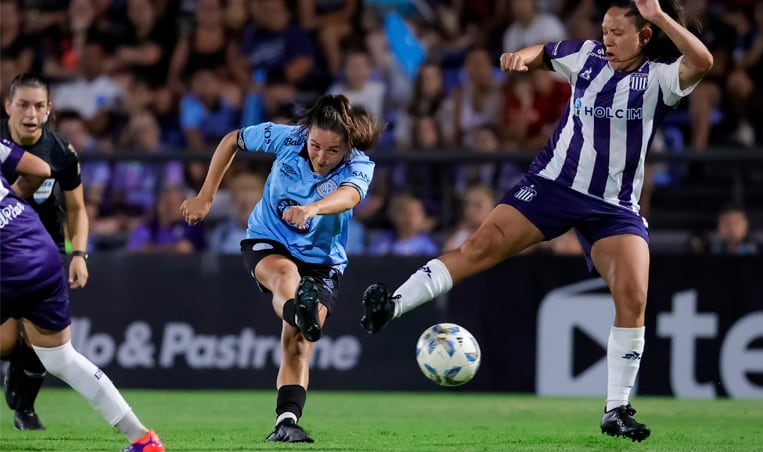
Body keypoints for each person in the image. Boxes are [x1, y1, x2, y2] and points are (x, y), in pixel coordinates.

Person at [360, 0, 712, 443]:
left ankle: (616, 409)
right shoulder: (585, 57)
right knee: (479, 248)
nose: (606, 39)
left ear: (644, 36)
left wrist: (660, 16)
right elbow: (547, 51)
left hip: (613, 206)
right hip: (551, 186)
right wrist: (522, 57)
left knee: (634, 294)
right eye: (604, 29)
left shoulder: (660, 78)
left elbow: (703, 61)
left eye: (617, 32)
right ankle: (391, 306)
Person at [181, 94, 384, 443]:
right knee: (286, 278)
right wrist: (207, 196)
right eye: (316, 145)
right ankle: (299, 310)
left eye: (332, 150)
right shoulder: (287, 136)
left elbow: (350, 196)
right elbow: (233, 139)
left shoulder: (359, 164)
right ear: (307, 134)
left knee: (299, 343)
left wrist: (314, 208)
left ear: (347, 146)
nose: (321, 156)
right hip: (268, 239)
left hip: (322, 261)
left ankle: (286, 421)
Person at [0, 138, 164, 451]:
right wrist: (11, 196)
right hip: (40, 247)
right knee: (61, 359)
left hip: (9, 263)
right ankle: (142, 438)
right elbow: (40, 168)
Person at [1, 73, 91, 430]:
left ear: (49, 109)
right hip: (5, 250)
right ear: (8, 106)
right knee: (8, 342)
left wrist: (79, 255)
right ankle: (16, 368)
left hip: (47, 253)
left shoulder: (61, 152)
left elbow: (77, 210)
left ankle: (25, 408)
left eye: (39, 106)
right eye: (23, 104)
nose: (31, 113)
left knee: (47, 345)